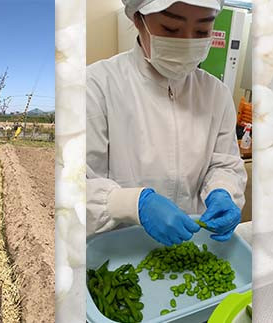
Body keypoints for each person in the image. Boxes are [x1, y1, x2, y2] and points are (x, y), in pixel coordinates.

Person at [86, 0, 247, 246]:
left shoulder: (216, 93)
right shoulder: (95, 87)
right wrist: (131, 204)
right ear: (138, 19)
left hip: (189, 245)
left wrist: (223, 190)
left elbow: (224, 164)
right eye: (171, 29)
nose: (187, 42)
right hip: (118, 252)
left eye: (203, 31)